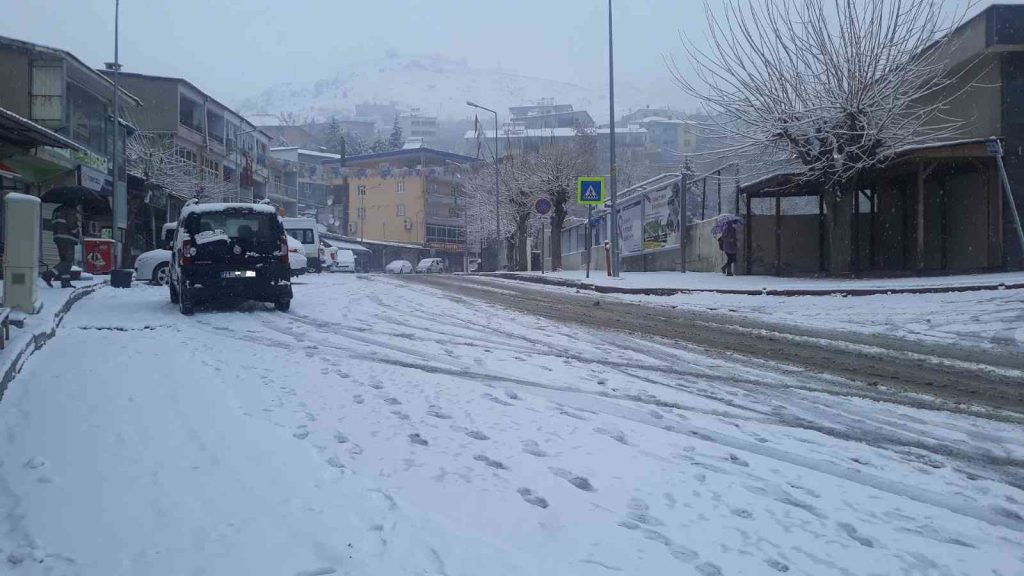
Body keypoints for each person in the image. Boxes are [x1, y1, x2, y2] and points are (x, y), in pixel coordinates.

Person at [51, 201, 80, 288]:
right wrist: (77, 231)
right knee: (68, 262)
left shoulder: (56, 210)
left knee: (64, 260)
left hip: (58, 238)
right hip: (68, 238)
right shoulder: (70, 211)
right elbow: (72, 225)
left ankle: (65, 281)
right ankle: (50, 273)